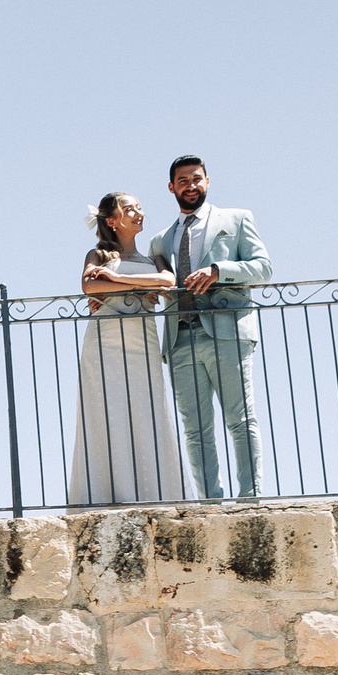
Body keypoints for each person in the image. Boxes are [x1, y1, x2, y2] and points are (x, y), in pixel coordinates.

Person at [149, 156, 272, 499]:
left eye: (197, 178)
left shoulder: (236, 219)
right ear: (172, 187)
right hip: (180, 339)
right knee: (195, 430)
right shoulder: (161, 241)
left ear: (207, 181)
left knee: (240, 419)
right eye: (183, 180)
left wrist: (218, 271)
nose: (191, 184)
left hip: (227, 332)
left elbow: (263, 268)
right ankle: (210, 501)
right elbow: (151, 283)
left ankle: (251, 497)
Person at [70, 191, 183, 505]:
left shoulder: (153, 257)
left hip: (143, 342)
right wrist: (128, 282)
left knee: (147, 409)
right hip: (104, 342)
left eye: (140, 207)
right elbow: (90, 286)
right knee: (106, 412)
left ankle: (154, 495)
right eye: (130, 209)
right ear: (111, 220)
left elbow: (167, 280)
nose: (139, 213)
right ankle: (110, 496)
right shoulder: (97, 256)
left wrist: (115, 280)